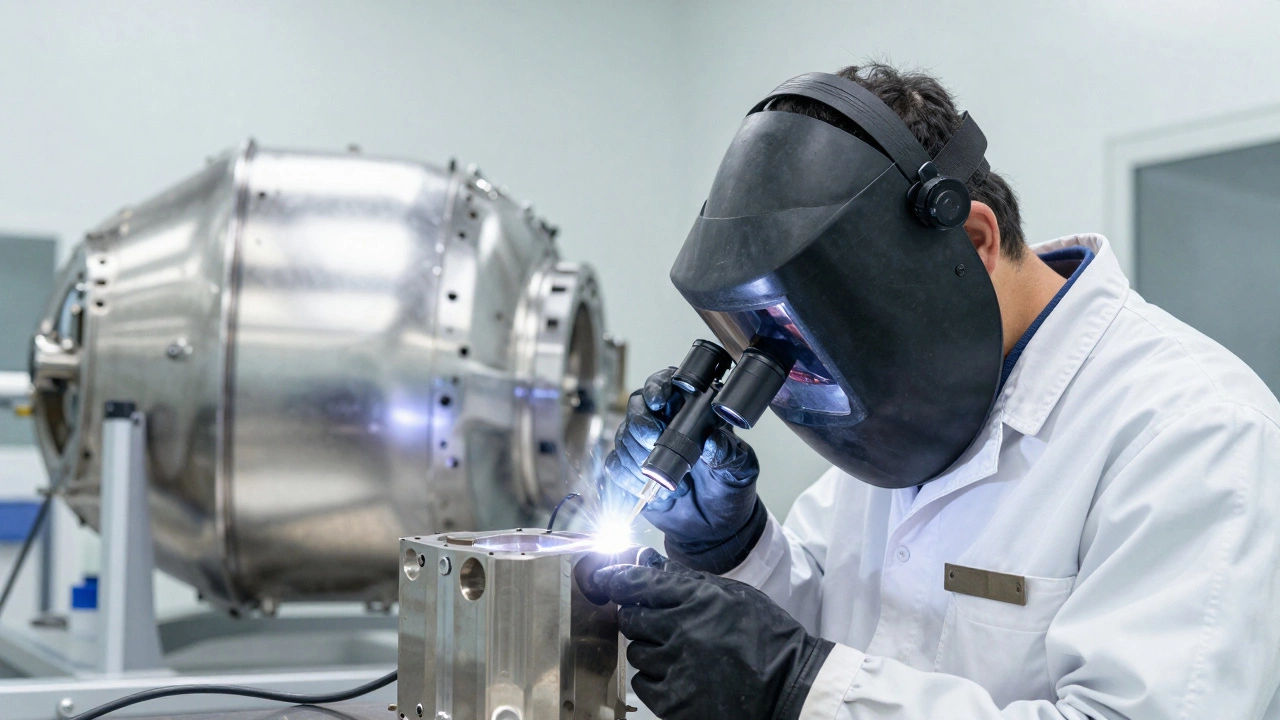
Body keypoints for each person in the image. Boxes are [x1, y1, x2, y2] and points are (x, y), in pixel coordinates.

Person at [595, 63, 1280, 720]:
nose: (823, 379)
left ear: (973, 239)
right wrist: (730, 544)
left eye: (832, 333)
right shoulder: (907, 405)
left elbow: (811, 676)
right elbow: (826, 625)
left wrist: (798, 690)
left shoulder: (1195, 431)